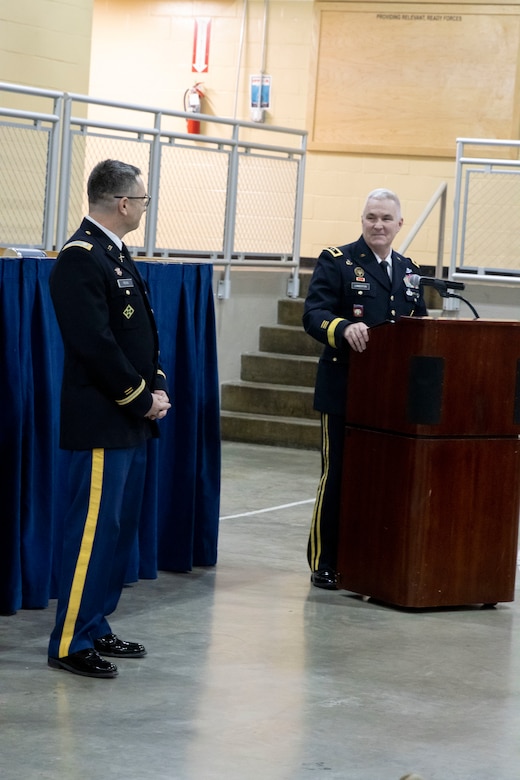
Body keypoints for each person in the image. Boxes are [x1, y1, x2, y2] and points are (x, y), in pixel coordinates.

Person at [47, 159, 171, 678]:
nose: (143, 207)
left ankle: (95, 623)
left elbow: (139, 334)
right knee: (92, 531)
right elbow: (94, 345)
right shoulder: (81, 257)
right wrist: (140, 395)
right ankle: (69, 641)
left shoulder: (114, 253)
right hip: (104, 418)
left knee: (116, 530)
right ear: (123, 204)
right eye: (141, 200)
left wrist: (157, 383)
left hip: (129, 419)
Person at [303, 188, 427, 589]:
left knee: (382, 479)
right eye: (372, 217)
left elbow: (419, 330)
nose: (378, 225)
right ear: (363, 220)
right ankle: (325, 560)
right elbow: (314, 314)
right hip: (344, 390)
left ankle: (372, 557)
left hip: (389, 397)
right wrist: (342, 328)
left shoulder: (409, 271)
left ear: (399, 225)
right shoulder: (337, 262)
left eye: (386, 219)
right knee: (337, 475)